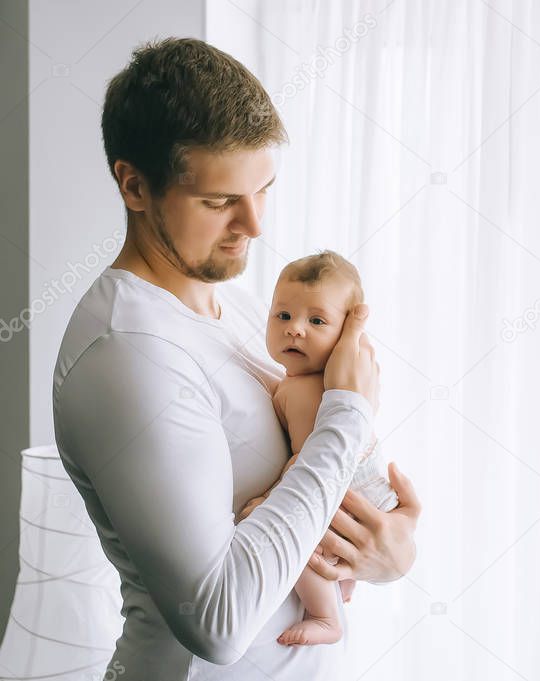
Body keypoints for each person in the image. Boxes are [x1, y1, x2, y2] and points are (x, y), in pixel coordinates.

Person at [50, 37, 420, 680]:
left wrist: (388, 554)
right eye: (220, 202)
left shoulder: (246, 310)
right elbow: (218, 624)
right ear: (134, 186)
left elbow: (316, 511)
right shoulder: (128, 354)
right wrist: (348, 414)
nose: (254, 225)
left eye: (264, 190)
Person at [240, 250, 400, 646]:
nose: (295, 329)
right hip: (363, 491)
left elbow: (314, 461)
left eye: (316, 320)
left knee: (300, 542)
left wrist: (271, 495)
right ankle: (342, 589)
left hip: (358, 491)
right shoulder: (294, 382)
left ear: (348, 334)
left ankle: (327, 617)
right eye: (283, 315)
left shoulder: (311, 390)